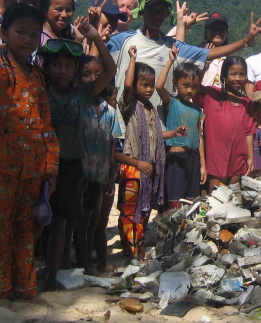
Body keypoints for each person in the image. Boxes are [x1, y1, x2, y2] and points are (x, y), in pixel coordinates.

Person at [0, 3, 60, 300]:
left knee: (25, 230)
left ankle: (23, 287)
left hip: (32, 171)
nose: (28, 39)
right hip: (0, 170)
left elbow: (46, 125)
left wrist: (51, 166)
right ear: (4, 33)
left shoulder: (37, 75)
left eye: (34, 34)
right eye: (21, 32)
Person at [106, 0, 261, 134]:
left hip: (159, 131)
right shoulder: (122, 41)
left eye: (162, 11)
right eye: (152, 10)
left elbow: (209, 53)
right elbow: (95, 62)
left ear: (167, 14)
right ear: (142, 13)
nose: (157, 15)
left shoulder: (173, 47)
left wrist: (246, 41)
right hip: (124, 130)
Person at [40, 20, 114, 292]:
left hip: (70, 166)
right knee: (34, 223)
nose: (62, 70)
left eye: (69, 65)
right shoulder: (38, 92)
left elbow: (110, 70)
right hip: (39, 166)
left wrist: (96, 37)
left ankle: (50, 277)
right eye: (57, 64)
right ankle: (29, 271)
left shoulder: (81, 95)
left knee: (61, 224)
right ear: (46, 67)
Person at [116, 47, 187, 259]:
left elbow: (154, 136)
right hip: (133, 166)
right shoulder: (129, 106)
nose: (149, 90)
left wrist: (173, 132)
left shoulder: (151, 109)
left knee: (144, 209)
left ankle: (138, 249)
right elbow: (127, 86)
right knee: (130, 211)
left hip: (149, 168)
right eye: (144, 85)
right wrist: (132, 59)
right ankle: (130, 251)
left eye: (151, 85)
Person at [76, 57, 117, 275]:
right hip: (79, 174)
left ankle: (93, 260)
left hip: (100, 175)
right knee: (79, 222)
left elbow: (111, 144)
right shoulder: (77, 105)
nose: (93, 79)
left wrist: (111, 176)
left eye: (97, 75)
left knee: (95, 221)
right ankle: (82, 263)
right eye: (86, 74)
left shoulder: (108, 111)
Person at [156, 46, 206, 207]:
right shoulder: (172, 102)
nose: (190, 90)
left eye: (194, 87)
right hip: (176, 157)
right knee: (174, 199)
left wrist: (203, 165)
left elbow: (199, 137)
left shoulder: (198, 110)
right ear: (175, 83)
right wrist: (170, 61)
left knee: (191, 201)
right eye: (186, 85)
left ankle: (185, 231)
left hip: (193, 158)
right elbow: (159, 86)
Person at [202, 57, 257, 188]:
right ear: (224, 76)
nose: (238, 78)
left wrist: (250, 157)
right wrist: (204, 65)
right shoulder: (211, 95)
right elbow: (194, 84)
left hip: (238, 157)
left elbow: (249, 132)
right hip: (216, 156)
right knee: (215, 197)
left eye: (242, 74)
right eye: (233, 74)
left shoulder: (247, 102)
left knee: (233, 197)